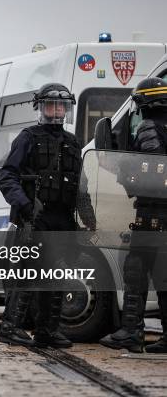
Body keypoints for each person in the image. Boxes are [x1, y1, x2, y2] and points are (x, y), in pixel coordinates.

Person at [0, 83, 84, 348]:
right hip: (33, 217)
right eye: (51, 105)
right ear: (41, 107)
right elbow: (7, 177)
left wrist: (88, 218)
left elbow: (81, 183)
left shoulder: (72, 142)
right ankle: (9, 327)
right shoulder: (27, 137)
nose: (56, 111)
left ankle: (47, 330)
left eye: (61, 106)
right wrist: (24, 205)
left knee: (57, 275)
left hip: (62, 219)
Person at [99, 77, 167, 353]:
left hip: (152, 214)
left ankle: (131, 332)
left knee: (135, 271)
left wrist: (122, 172)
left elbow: (148, 171)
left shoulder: (149, 128)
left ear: (145, 104)